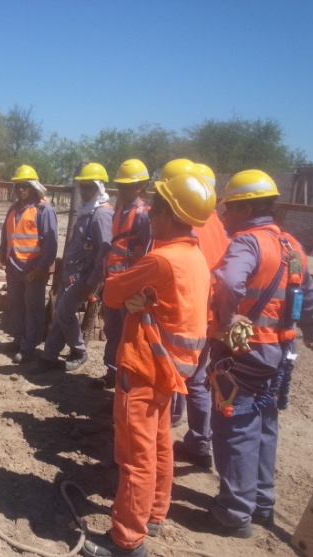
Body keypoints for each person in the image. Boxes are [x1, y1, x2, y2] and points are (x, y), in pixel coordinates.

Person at [82, 173, 215, 557]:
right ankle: (154, 515)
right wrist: (147, 299)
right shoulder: (195, 257)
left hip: (143, 368)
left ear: (173, 215)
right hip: (171, 371)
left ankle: (127, 540)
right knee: (159, 447)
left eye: (157, 209)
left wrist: (136, 293)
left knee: (135, 458)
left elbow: (111, 292)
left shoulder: (162, 259)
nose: (151, 215)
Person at [207, 169, 313, 538]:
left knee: (236, 429)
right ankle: (261, 503)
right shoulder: (291, 245)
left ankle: (234, 513)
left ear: (243, 208)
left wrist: (227, 321)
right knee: (265, 425)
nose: (224, 217)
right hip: (281, 352)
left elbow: (228, 281)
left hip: (246, 354)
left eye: (228, 209)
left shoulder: (247, 242)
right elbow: (311, 293)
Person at [168, 161, 230, 468]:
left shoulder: (191, 226)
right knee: (199, 377)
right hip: (211, 314)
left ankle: (164, 436)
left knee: (176, 373)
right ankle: (199, 440)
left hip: (191, 313)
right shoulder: (217, 221)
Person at [36, 163, 112, 373]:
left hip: (83, 275)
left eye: (89, 187)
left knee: (64, 312)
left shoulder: (101, 215)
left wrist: (91, 283)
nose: (85, 191)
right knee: (60, 313)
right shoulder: (87, 211)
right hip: (71, 272)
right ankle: (50, 355)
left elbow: (104, 254)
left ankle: (79, 350)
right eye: (83, 187)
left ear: (99, 187)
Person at [0, 165, 58, 364]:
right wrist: (2, 252)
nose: (21, 189)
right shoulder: (14, 209)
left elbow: (51, 242)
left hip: (33, 269)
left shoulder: (43, 210)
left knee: (33, 308)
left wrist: (42, 269)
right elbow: (8, 234)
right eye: (18, 186)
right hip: (14, 266)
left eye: (25, 186)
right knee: (16, 305)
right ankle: (18, 339)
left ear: (33, 186)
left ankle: (29, 346)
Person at [102, 159, 152, 387]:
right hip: (114, 281)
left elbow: (146, 255)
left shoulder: (144, 215)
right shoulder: (119, 210)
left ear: (140, 187)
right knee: (112, 330)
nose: (122, 190)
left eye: (127, 186)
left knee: (127, 334)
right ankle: (112, 373)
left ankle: (124, 380)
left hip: (129, 285)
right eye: (120, 185)